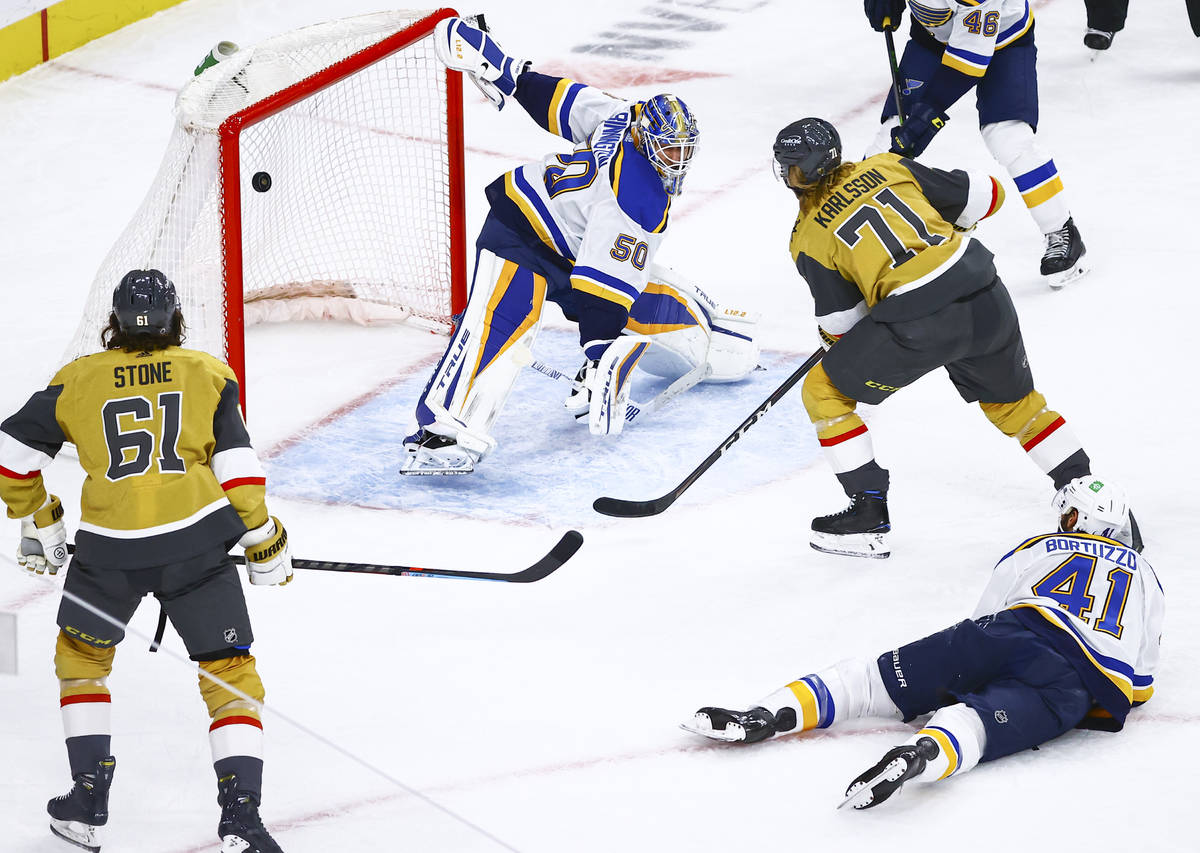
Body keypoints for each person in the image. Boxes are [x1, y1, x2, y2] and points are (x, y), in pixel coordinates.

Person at [0, 270, 292, 852]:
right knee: (229, 669)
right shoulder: (207, 372)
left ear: (112, 322)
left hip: (109, 553)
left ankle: (86, 801)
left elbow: (10, 456)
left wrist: (40, 515)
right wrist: (262, 535)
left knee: (82, 661)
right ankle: (241, 818)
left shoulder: (78, 377)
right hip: (198, 547)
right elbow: (236, 467)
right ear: (175, 320)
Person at [400, 17, 757, 475]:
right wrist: (598, 354)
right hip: (521, 229)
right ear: (648, 141)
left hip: (574, 239)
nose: (679, 160)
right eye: (670, 150)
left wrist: (508, 71)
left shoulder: (624, 116)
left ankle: (709, 329)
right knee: (503, 323)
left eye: (684, 149)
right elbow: (601, 290)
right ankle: (441, 431)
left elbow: (560, 100)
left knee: (643, 299)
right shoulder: (639, 199)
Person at [683, 478, 1161, 810]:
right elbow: (1139, 684)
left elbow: (985, 617)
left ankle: (764, 715)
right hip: (1073, 686)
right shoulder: (1148, 579)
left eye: (1073, 513)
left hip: (1008, 633)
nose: (1066, 522)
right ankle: (919, 757)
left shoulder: (1037, 546)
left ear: (1095, 516)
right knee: (972, 726)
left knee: (870, 681)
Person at [773, 117, 1123, 559]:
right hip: (983, 289)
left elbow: (844, 323)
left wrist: (835, 341)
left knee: (823, 391)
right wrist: (947, 227)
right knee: (1016, 405)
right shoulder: (889, 166)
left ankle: (867, 512)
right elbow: (990, 195)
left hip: (917, 321)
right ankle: (1086, 493)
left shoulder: (807, 237)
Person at [862, 0, 1088, 288]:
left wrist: (926, 116)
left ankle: (1061, 229)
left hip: (1004, 43)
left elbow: (967, 63)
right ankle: (869, 248)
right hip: (931, 37)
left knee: (1009, 137)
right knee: (889, 139)